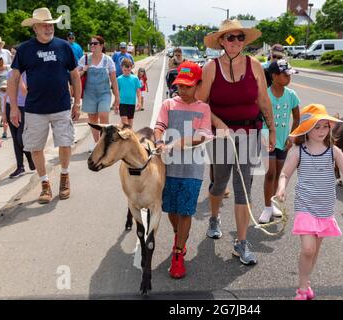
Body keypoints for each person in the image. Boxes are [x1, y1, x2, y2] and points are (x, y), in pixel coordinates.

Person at [196, 19, 276, 265]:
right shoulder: (211, 68)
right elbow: (200, 104)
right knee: (219, 183)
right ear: (221, 41)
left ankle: (241, 243)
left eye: (240, 37)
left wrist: (272, 129)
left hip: (250, 132)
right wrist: (219, 124)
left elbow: (263, 99)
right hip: (221, 135)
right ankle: (214, 217)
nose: (235, 42)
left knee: (243, 186)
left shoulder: (254, 66)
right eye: (229, 38)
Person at [275, 104, 343, 300]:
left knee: (314, 251)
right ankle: (303, 287)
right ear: (306, 129)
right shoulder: (298, 151)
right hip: (305, 205)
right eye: (316, 127)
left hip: (325, 208)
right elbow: (285, 174)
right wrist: (281, 188)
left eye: (325, 126)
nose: (321, 131)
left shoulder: (333, 151)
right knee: (308, 248)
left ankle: (306, 281)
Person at [8, 7, 82, 204]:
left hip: (62, 106)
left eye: (51, 25)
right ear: (35, 28)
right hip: (35, 109)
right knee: (35, 147)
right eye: (44, 25)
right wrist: (14, 107)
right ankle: (44, 184)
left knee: (65, 143)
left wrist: (78, 103)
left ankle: (64, 177)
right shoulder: (24, 49)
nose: (49, 28)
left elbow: (75, 76)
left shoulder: (64, 47)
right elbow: (14, 78)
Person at [154, 61, 212, 279]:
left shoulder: (204, 108)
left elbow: (202, 136)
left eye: (188, 86)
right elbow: (159, 127)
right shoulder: (169, 104)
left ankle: (178, 254)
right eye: (180, 85)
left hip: (192, 168)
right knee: (172, 210)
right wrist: (159, 142)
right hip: (168, 168)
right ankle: (180, 236)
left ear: (198, 84)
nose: (183, 90)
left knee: (186, 211)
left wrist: (177, 143)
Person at [259, 59, 300, 224]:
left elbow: (297, 118)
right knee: (269, 173)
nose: (289, 78)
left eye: (290, 75)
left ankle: (274, 203)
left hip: (283, 140)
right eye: (285, 75)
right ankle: (267, 207)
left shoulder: (291, 95)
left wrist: (292, 136)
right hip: (266, 139)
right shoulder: (264, 95)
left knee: (278, 173)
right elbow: (257, 117)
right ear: (274, 76)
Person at [78, 35, 120, 152]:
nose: (92, 45)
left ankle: (105, 142)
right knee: (92, 119)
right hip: (89, 93)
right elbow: (76, 76)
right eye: (91, 43)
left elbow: (113, 80)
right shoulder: (84, 59)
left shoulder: (108, 60)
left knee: (103, 115)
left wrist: (117, 97)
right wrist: (83, 70)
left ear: (101, 45)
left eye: (95, 43)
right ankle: (96, 143)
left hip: (104, 93)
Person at [4, 68, 36, 178]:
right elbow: (7, 93)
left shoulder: (30, 73)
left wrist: (19, 77)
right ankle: (20, 167)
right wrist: (4, 112)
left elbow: (25, 92)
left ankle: (30, 157)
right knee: (15, 138)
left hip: (24, 108)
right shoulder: (10, 73)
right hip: (11, 107)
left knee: (20, 138)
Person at [116, 58, 142, 127]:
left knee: (130, 123)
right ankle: (123, 135)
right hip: (122, 103)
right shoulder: (119, 79)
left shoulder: (135, 79)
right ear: (121, 68)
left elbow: (138, 91)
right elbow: (117, 92)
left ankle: (129, 137)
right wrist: (116, 103)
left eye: (129, 70)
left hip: (131, 103)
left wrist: (139, 102)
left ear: (131, 68)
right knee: (125, 122)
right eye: (125, 70)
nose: (127, 72)